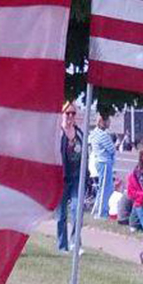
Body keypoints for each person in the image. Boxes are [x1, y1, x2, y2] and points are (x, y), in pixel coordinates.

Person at [56, 103, 85, 251]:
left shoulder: (79, 133)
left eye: (73, 113)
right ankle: (62, 246)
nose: (70, 116)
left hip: (76, 178)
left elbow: (85, 153)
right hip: (61, 179)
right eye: (67, 113)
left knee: (76, 209)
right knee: (61, 215)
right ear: (62, 114)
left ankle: (75, 243)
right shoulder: (58, 133)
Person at [88, 113, 118, 219]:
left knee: (104, 187)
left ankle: (99, 209)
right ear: (103, 122)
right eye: (108, 120)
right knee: (105, 188)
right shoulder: (103, 135)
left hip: (100, 161)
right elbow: (112, 149)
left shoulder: (94, 133)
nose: (109, 123)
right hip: (104, 162)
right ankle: (101, 212)